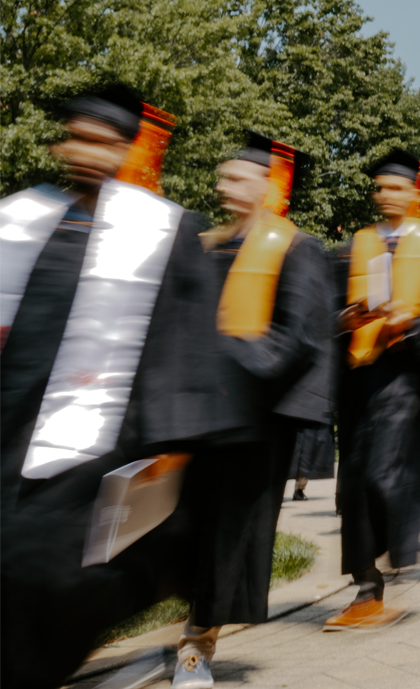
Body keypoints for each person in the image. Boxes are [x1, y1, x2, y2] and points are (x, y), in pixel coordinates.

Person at [0, 86, 249, 689]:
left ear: (124, 148)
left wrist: (171, 453)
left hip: (97, 460)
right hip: (11, 448)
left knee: (62, 588)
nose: (87, 153)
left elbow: (188, 351)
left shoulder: (161, 232)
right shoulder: (20, 221)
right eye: (77, 138)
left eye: (103, 142)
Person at [173, 133, 337, 687]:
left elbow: (298, 339)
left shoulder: (294, 247)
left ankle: (196, 648)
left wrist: (229, 362)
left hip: (252, 419)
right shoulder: (207, 243)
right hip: (196, 413)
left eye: (239, 177)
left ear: (269, 187)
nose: (226, 186)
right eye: (224, 176)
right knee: (183, 528)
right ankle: (185, 619)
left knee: (227, 540)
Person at [328, 149, 420, 630]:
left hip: (405, 376)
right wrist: (345, 318)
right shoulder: (358, 244)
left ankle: (396, 550)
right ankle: (367, 588)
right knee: (351, 483)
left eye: (397, 187)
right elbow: (330, 313)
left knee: (380, 472)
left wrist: (412, 325)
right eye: (381, 187)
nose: (387, 195)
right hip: (358, 377)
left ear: (415, 193)